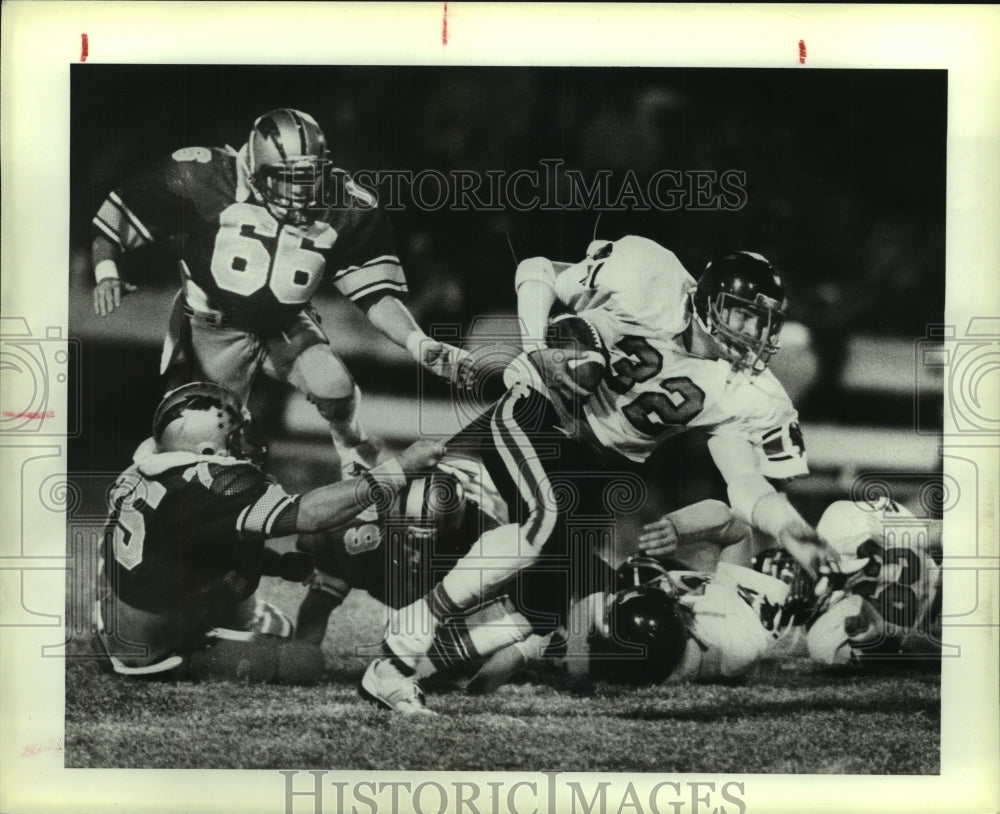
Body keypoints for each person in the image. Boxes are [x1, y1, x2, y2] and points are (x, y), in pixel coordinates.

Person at [360, 235, 842, 712]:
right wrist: (537, 350)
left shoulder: (749, 390)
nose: (755, 334)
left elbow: (745, 482)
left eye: (764, 322)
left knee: (546, 601)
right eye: (744, 315)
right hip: (543, 412)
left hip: (597, 469)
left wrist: (794, 531)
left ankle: (407, 672)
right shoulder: (651, 274)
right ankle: (403, 642)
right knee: (539, 521)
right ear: (711, 299)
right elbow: (536, 267)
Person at [91, 107, 467, 475]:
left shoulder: (346, 202)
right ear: (253, 168)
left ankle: (353, 446)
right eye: (285, 178)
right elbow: (116, 217)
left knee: (334, 386)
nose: (300, 192)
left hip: (285, 321)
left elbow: (375, 293)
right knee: (202, 447)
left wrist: (417, 342)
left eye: (309, 177)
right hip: (212, 327)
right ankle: (150, 490)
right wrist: (106, 270)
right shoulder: (204, 175)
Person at [95, 381, 444, 683]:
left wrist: (276, 564)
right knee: (301, 662)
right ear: (204, 451)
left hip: (125, 614)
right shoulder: (214, 483)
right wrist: (399, 470)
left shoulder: (145, 470)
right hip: (155, 647)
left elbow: (184, 548)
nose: (246, 444)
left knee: (242, 546)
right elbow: (307, 514)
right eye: (235, 436)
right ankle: (192, 659)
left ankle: (189, 631)